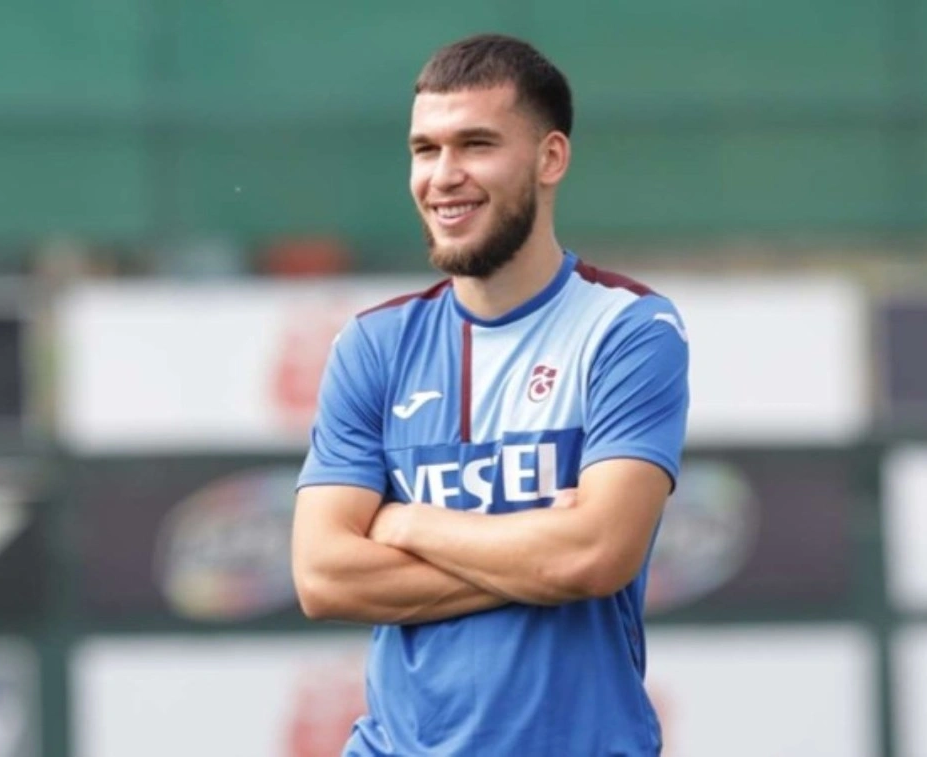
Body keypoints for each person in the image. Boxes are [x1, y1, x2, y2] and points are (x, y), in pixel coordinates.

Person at [291, 33, 689, 757]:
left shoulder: (629, 328)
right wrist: (538, 552)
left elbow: (595, 556)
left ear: (550, 158)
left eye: (476, 144)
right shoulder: (373, 345)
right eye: (425, 150)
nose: (444, 176)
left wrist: (407, 522)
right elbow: (322, 576)